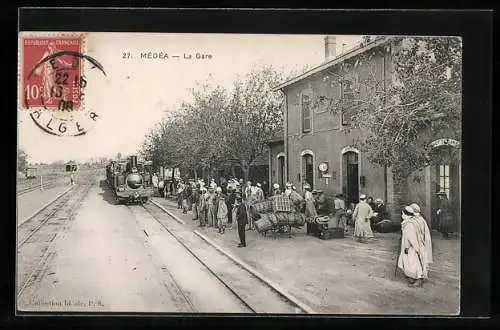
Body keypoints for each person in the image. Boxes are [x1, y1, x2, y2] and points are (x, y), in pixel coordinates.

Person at [397, 206, 427, 287]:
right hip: (412, 247)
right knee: (409, 263)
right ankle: (412, 277)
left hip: (411, 248)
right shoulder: (411, 221)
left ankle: (419, 279)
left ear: (406, 214)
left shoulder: (409, 224)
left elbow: (411, 238)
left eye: (402, 214)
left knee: (414, 263)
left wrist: (407, 247)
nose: (401, 215)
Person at [409, 203, 433, 274]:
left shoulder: (418, 220)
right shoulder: (419, 219)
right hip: (418, 242)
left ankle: (420, 275)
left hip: (419, 243)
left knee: (420, 259)